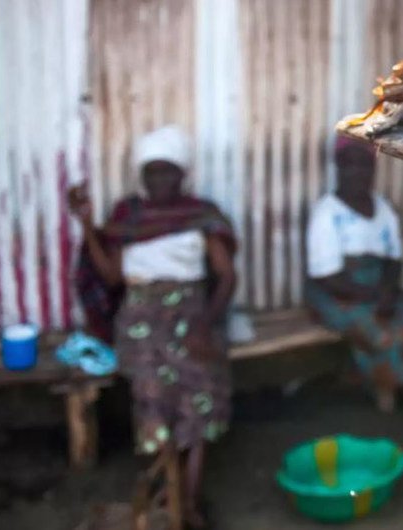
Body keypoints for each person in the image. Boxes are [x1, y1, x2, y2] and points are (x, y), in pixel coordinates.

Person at [70, 126, 237, 528]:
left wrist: (206, 325)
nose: (159, 180)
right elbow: (111, 278)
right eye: (151, 172)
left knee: (203, 386)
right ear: (141, 176)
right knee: (152, 393)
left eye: (167, 172)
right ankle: (168, 492)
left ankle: (189, 500)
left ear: (182, 175)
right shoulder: (127, 216)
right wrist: (88, 225)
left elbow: (226, 278)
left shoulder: (202, 215)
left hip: (191, 312)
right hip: (141, 316)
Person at [305, 137, 403, 445]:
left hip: (375, 289)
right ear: (338, 168)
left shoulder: (381, 209)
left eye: (363, 163)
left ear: (373, 168)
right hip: (336, 295)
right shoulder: (327, 213)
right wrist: (379, 297)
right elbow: (327, 278)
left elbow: (393, 260)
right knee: (385, 333)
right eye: (348, 163)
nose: (356, 171)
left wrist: (390, 291)